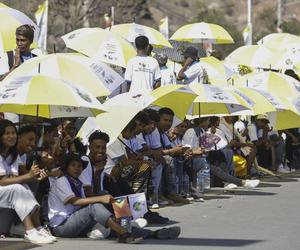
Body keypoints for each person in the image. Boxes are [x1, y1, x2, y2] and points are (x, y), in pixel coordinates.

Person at [48, 153, 143, 243]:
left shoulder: (77, 183)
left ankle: (149, 233)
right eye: (73, 165)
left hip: (75, 221)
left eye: (79, 166)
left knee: (115, 208)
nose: (77, 168)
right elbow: (75, 201)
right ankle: (124, 234)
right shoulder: (62, 181)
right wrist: (101, 199)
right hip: (61, 226)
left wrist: (109, 206)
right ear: (66, 168)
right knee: (94, 206)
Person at [0, 120, 55, 244]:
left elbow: (14, 178)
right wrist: (29, 176)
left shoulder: (12, 154)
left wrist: (34, 177)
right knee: (18, 188)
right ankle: (30, 231)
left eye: (13, 133)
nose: (11, 136)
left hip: (3, 193)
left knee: (23, 185)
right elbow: (3, 182)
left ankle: (38, 228)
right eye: (7, 133)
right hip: (2, 189)